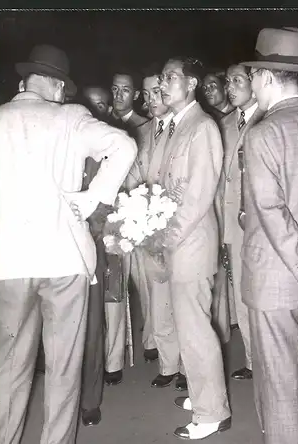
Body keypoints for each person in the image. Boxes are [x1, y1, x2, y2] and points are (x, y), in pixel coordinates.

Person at [0, 44, 137, 444]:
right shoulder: (71, 118)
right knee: (62, 360)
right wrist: (92, 197)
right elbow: (124, 146)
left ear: (24, 83)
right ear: (57, 85)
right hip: (66, 258)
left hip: (9, 262)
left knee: (8, 361)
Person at [240, 27, 298, 444]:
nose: (251, 82)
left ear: (267, 78)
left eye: (252, 74)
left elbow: (271, 212)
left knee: (280, 390)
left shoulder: (263, 133)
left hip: (279, 282)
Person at [159, 56, 231, 440]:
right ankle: (206, 392)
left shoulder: (201, 126)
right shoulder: (178, 125)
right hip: (180, 241)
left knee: (195, 329)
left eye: (171, 77)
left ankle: (211, 413)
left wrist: (166, 237)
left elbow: (199, 194)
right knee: (190, 326)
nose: (163, 83)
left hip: (190, 241)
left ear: (191, 83)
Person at [126, 64, 187, 390]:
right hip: (148, 232)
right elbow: (136, 174)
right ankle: (168, 365)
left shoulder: (185, 128)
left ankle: (189, 369)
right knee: (157, 301)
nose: (151, 99)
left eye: (157, 91)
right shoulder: (143, 132)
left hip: (182, 230)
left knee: (184, 303)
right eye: (146, 93)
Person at [215, 63, 264, 381]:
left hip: (263, 225)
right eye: (227, 81)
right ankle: (252, 360)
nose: (230, 87)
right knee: (241, 296)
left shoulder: (270, 118)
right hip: (232, 224)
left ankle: (269, 358)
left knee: (263, 295)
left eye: (237, 80)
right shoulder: (224, 124)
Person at [103, 69, 149, 387]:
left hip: (137, 216)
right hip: (107, 220)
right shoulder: (99, 124)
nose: (119, 95)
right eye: (115, 89)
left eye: (125, 90)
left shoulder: (144, 126)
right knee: (112, 289)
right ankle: (112, 360)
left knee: (144, 285)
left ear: (134, 94)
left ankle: (154, 342)